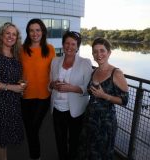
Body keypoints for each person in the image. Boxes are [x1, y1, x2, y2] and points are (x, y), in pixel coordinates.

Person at [79, 37, 129, 160]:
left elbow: (124, 101)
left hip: (105, 123)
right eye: (95, 51)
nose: (98, 54)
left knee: (103, 154)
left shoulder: (116, 73)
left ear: (109, 52)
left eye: (102, 51)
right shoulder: (94, 71)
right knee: (88, 151)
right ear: (92, 54)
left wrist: (104, 95)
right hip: (90, 119)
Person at [49, 31, 93, 160]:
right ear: (63, 44)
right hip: (57, 107)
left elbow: (89, 88)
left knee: (75, 141)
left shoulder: (85, 63)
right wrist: (53, 84)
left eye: (73, 44)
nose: (69, 46)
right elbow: (50, 83)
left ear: (77, 46)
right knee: (60, 140)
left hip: (76, 110)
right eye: (67, 43)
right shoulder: (55, 61)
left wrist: (71, 88)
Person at [0, 22, 25, 160]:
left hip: (13, 103)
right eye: (8, 33)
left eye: (14, 34)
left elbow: (14, 79)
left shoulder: (16, 57)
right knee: (1, 139)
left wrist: (19, 85)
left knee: (6, 138)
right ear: (1, 35)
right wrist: (11, 87)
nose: (11, 36)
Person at [20, 18, 56, 160]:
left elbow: (55, 71)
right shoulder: (22, 50)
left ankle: (35, 157)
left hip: (43, 97)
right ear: (28, 32)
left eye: (38, 30)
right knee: (30, 130)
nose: (34, 33)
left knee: (33, 128)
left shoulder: (50, 49)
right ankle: (35, 156)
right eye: (31, 30)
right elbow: (18, 71)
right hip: (25, 96)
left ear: (43, 32)